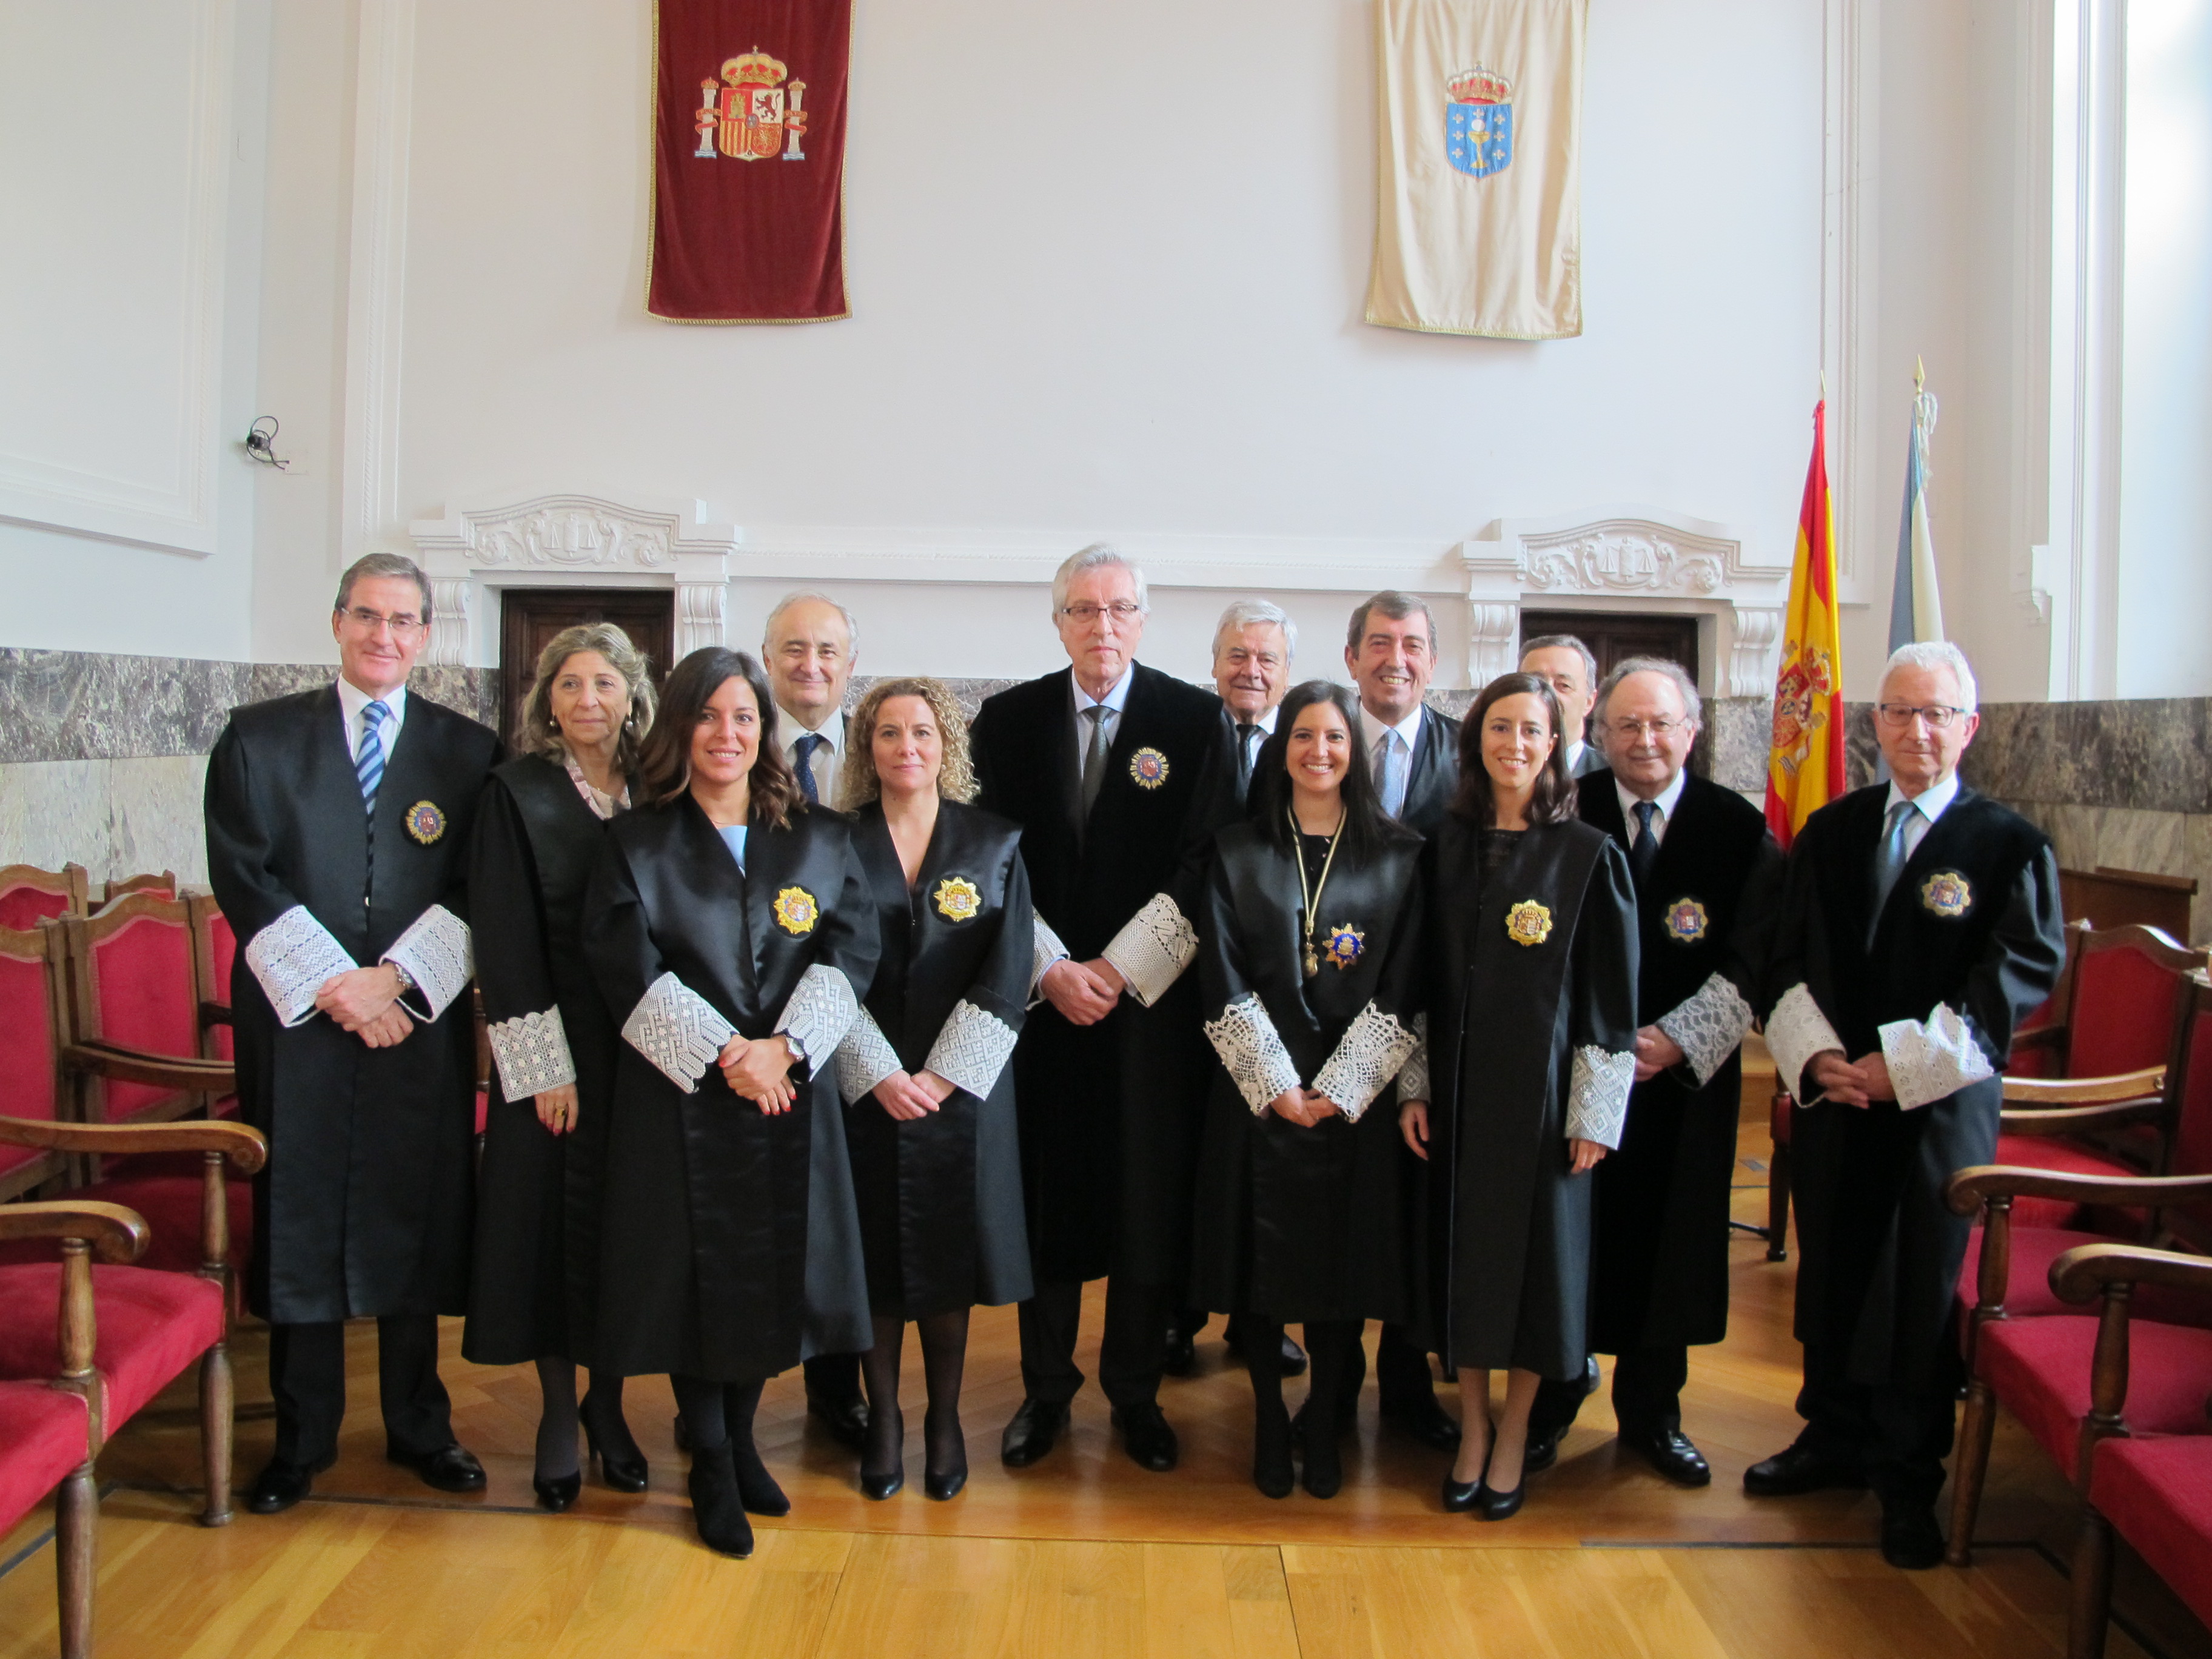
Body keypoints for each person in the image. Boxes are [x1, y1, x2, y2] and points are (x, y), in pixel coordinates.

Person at [1749, 641, 2062, 1569]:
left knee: (1916, 1281)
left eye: (1936, 714)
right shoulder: (1833, 832)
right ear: (1873, 722)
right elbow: (1784, 955)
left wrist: (1902, 1068)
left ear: (1969, 726)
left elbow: (2019, 976)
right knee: (1833, 1259)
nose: (1916, 730)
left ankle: (1907, 1475)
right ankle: (1830, 1436)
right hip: (1838, 1095)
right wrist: (1823, 1058)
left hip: (1935, 1110)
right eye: (1898, 712)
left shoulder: (2009, 845)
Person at [204, 552, 501, 1515]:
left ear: (426, 635)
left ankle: (421, 1424)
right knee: (302, 1212)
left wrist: (395, 985)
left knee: (414, 1213)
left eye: (404, 620)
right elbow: (249, 877)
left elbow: (476, 888)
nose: (385, 636)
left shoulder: (468, 751)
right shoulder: (258, 741)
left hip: (414, 1023)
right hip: (303, 1029)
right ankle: (302, 1440)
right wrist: (338, 988)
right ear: (336, 622)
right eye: (368, 616)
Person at [583, 648, 879, 1558]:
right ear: (680, 727)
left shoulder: (820, 838)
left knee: (776, 1279)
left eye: (744, 716)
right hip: (682, 1102)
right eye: (708, 717)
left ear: (766, 728)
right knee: (691, 1284)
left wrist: (785, 1049)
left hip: (788, 1094)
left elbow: (852, 948)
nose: (727, 733)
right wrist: (727, 1056)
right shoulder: (635, 843)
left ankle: (745, 1442)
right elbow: (622, 964)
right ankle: (709, 1459)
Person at [968, 545, 1237, 1474]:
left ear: (1143, 620)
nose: (1103, 626)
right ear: (1058, 623)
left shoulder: (1196, 721)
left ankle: (1134, 1394)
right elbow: (993, 862)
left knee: (1142, 1201)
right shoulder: (1007, 722)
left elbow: (1208, 860)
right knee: (1050, 1200)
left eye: (1121, 609)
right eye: (1084, 611)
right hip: (1045, 1011)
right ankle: (1046, 1394)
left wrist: (1118, 969)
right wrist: (1051, 968)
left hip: (1147, 1013)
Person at [1522, 659, 1780, 1486]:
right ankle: (1555, 1399)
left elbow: (1757, 955)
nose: (1644, 741)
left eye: (1662, 724)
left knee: (1671, 1244)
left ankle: (1653, 1417)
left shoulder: (1737, 829)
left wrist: (1673, 1040)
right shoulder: (1565, 811)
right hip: (1575, 1078)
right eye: (1626, 726)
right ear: (1598, 734)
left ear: (1691, 731)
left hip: (1683, 1085)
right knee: (1573, 1238)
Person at [1398, 671, 1638, 1521]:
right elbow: (1417, 980)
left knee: (1539, 1277)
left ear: (1556, 744)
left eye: (1532, 731)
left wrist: (1595, 1117)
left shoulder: (1589, 856)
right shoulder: (1443, 847)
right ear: (1477, 742)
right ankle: (1470, 1425)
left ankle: (1515, 1436)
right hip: (1458, 1110)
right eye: (1500, 729)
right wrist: (1414, 1088)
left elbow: (1612, 1004)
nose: (1515, 745)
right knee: (1465, 1270)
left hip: (1544, 1117)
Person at [1190, 682, 1426, 1499]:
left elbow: (1403, 984)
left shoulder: (1400, 855)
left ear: (1353, 751)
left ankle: (1324, 1422)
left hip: (1356, 1103)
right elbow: (1220, 975)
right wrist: (1277, 1085)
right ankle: (1264, 1422)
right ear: (1280, 747)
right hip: (1258, 1098)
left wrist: (1345, 1084)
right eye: (1302, 736)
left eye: (1333, 737)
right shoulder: (1236, 849)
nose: (1318, 752)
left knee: (1341, 1282)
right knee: (1260, 1282)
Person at [464, 624, 657, 1509]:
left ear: (631, 695)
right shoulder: (516, 793)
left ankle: (608, 1404)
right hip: (549, 1047)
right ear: (547, 699)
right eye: (570, 684)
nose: (588, 700)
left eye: (604, 684)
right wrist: (544, 1068)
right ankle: (551, 1413)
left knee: (626, 1226)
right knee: (546, 1229)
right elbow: (501, 940)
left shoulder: (660, 787)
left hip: (646, 1047)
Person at [831, 678, 1037, 1502]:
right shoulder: (830, 841)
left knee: (950, 1260)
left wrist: (945, 1075)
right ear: (867, 748)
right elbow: (811, 963)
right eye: (888, 733)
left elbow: (1010, 963)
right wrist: (876, 1071)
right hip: (864, 1086)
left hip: (964, 1091)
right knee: (873, 1260)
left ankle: (944, 1419)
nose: (906, 748)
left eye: (922, 732)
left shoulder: (994, 842)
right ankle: (883, 1419)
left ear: (946, 744)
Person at [1165, 598, 1309, 1382]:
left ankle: (1260, 1320)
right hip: (1174, 983)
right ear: (1213, 663)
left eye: (1266, 660)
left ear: (1286, 674)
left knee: (1263, 1160)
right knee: (1182, 1159)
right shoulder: (1184, 733)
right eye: (1237, 656)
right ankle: (1178, 1318)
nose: (1250, 671)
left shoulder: (1312, 745)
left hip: (1271, 992)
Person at [1335, 590, 1463, 1450]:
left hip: (1434, 1017)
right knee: (1340, 1210)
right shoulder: (1319, 746)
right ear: (1352, 659)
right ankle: (1334, 1386)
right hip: (1331, 1019)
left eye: (1413, 644)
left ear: (1433, 659)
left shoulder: (1473, 754)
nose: (1396, 659)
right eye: (1379, 643)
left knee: (1419, 1209)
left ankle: (1411, 1386)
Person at [760, 589, 871, 1444]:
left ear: (849, 665)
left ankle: (839, 1394)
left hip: (865, 1017)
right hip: (760, 1026)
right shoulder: (732, 747)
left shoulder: (878, 754)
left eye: (828, 651)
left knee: (848, 1217)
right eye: (795, 649)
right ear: (768, 659)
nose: (811, 666)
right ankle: (729, 1396)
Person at [1520, 634, 1609, 779]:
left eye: (1563, 685)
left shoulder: (1616, 781)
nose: (1548, 694)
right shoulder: (1484, 775)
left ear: (1589, 702)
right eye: (1535, 683)